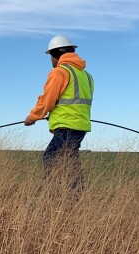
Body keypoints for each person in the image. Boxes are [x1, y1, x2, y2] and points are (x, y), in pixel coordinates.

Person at [25, 35, 94, 189]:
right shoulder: (86, 76)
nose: (51, 61)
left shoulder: (60, 72)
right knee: (70, 162)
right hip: (80, 127)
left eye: (50, 57)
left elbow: (47, 99)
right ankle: (76, 197)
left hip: (66, 126)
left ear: (56, 54)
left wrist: (32, 117)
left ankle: (57, 195)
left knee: (51, 158)